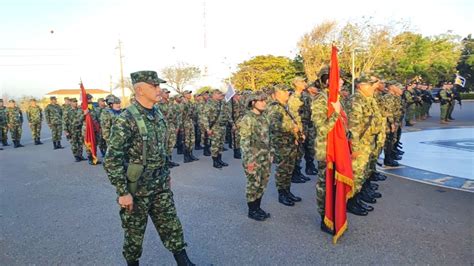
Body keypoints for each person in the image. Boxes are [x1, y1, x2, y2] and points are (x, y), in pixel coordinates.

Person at [103, 70, 194, 266]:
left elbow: (161, 150)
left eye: (159, 86)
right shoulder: (126, 119)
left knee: (172, 226)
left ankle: (184, 262)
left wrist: (166, 173)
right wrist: (122, 191)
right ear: (140, 90)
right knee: (134, 235)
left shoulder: (157, 113)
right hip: (137, 188)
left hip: (160, 184)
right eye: (155, 86)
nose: (159, 90)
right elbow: (112, 159)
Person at [310, 68, 343, 233]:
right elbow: (321, 128)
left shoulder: (335, 98)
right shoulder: (320, 99)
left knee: (335, 184)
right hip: (326, 149)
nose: (342, 81)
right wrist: (336, 114)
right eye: (339, 78)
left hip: (337, 148)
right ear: (328, 80)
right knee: (325, 184)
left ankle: (334, 214)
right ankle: (325, 219)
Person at [266, 85, 302, 206]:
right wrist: (293, 128)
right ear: (277, 94)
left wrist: (296, 136)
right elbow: (275, 126)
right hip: (281, 144)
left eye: (288, 91)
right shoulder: (274, 108)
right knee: (282, 170)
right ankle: (282, 194)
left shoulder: (285, 106)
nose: (288, 93)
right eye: (285, 91)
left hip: (290, 142)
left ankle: (287, 191)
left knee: (289, 169)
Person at [239, 91, 271, 221]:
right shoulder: (248, 119)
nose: (264, 103)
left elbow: (270, 137)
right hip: (253, 158)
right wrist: (249, 161)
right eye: (261, 100)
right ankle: (252, 210)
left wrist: (271, 152)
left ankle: (258, 207)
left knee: (262, 182)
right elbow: (245, 142)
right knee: (253, 183)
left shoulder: (264, 117)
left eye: (265, 100)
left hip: (265, 156)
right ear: (253, 102)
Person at [288, 77, 310, 183]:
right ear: (296, 84)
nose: (304, 83)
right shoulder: (293, 98)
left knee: (301, 151)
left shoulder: (305, 95)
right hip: (299, 127)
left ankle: (299, 172)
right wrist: (297, 132)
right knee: (297, 152)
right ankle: (294, 174)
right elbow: (293, 116)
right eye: (302, 81)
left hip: (306, 125)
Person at [201, 89, 229, 168]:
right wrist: (207, 129)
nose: (221, 95)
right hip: (214, 128)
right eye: (218, 94)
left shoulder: (221, 103)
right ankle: (215, 162)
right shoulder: (209, 104)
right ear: (213, 95)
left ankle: (219, 160)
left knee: (221, 144)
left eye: (221, 93)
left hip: (222, 127)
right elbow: (204, 117)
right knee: (215, 145)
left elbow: (226, 114)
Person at [157, 89, 180, 168]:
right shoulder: (158, 105)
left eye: (168, 93)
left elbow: (177, 115)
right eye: (166, 93)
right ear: (161, 94)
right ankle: (164, 162)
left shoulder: (171, 104)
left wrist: (177, 126)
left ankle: (169, 160)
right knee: (164, 144)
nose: (167, 94)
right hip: (163, 126)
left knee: (171, 143)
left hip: (171, 126)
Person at [181, 90, 199, 163]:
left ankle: (191, 154)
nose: (189, 95)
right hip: (185, 123)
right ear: (184, 95)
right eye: (188, 93)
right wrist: (181, 126)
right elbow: (180, 115)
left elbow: (193, 113)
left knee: (192, 139)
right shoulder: (183, 103)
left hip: (190, 122)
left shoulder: (190, 103)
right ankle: (186, 156)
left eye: (190, 93)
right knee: (186, 140)